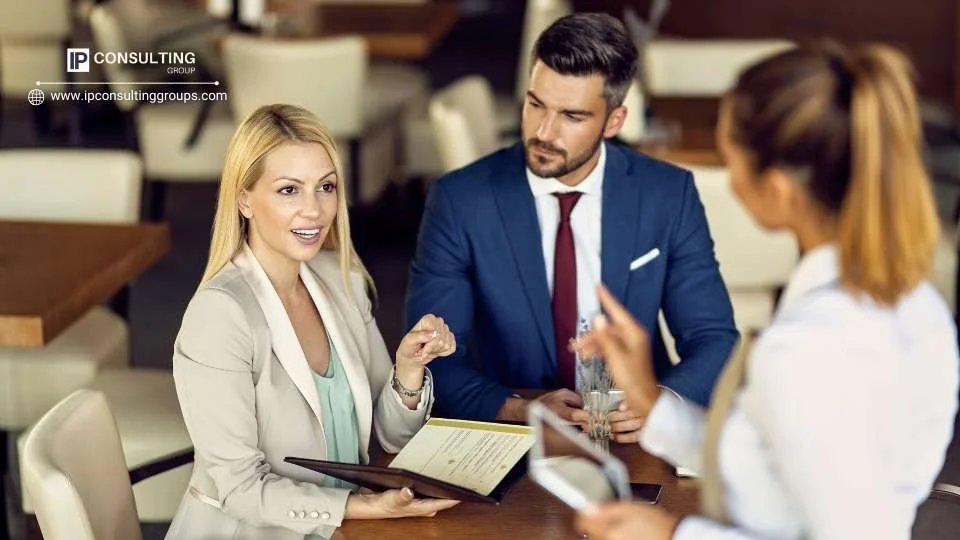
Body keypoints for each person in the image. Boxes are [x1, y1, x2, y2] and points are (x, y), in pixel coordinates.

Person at [574, 41, 960, 539]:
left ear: (779, 189)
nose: (728, 181)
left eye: (729, 160)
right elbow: (775, 462)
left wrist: (670, 535)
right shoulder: (921, 306)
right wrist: (651, 400)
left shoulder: (802, 349)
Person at [404, 12, 738, 437]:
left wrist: (660, 405)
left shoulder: (667, 194)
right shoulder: (459, 201)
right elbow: (431, 358)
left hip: (637, 436)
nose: (543, 132)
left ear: (613, 121)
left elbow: (713, 338)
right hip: (514, 436)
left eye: (572, 116)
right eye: (535, 104)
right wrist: (516, 408)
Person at [165, 104, 459, 540]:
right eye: (288, 190)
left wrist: (408, 372)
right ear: (244, 199)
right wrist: (360, 507)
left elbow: (391, 437)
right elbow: (241, 490)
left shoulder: (341, 283)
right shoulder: (220, 314)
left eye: (326, 187)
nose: (314, 210)